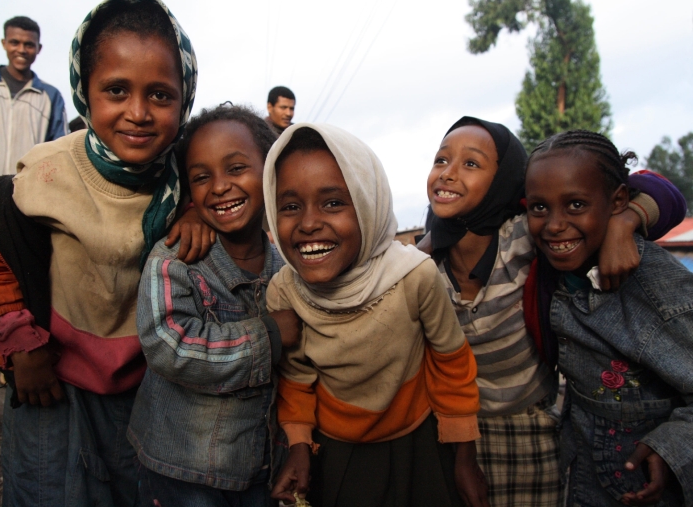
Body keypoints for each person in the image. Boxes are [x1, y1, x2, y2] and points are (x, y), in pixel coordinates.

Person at [0, 0, 212, 506]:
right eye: (116, 90)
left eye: (160, 95)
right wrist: (21, 340)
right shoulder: (49, 171)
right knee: (50, 491)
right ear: (85, 92)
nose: (138, 112)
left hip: (149, 385)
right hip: (53, 379)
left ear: (185, 96)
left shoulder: (187, 181)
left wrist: (198, 209)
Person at [422, 117, 686, 506]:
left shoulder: (528, 238)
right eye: (441, 160)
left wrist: (625, 221)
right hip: (460, 432)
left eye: (471, 163)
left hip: (535, 427)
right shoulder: (421, 268)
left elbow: (658, 191)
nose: (449, 174)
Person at [266, 123, 486, 507]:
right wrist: (300, 446)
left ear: (369, 205)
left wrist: (464, 458)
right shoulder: (284, 291)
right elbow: (297, 379)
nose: (308, 223)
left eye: (333, 202)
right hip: (335, 451)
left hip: (419, 442)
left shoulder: (414, 276)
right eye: (289, 207)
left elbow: (451, 363)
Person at [128, 104, 301, 506]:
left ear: (271, 173)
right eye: (201, 177)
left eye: (236, 168)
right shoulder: (174, 258)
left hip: (260, 468)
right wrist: (268, 335)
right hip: (181, 471)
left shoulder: (287, 270)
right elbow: (168, 346)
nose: (219, 187)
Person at [525, 130, 693, 506]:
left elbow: (665, 193)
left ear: (618, 200)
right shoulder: (555, 261)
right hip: (584, 474)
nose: (554, 224)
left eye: (576, 205)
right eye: (539, 208)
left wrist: (671, 448)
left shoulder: (656, 289)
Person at [0, 16, 67, 192]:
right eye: (14, 42)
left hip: (26, 199)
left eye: (29, 44)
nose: (21, 50)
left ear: (38, 48)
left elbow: (60, 154)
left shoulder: (50, 96)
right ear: (4, 43)